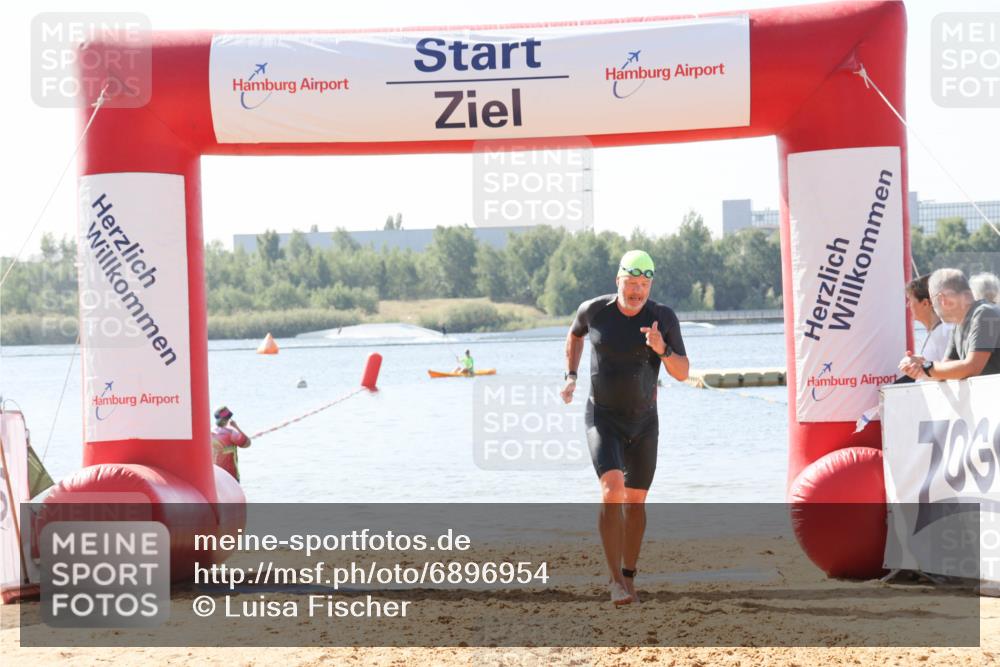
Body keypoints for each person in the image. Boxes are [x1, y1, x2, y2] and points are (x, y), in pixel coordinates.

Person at [561, 249, 689, 605]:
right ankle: (615, 580)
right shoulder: (594, 310)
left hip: (645, 422)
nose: (636, 291)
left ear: (650, 286)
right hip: (602, 417)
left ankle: (630, 576)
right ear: (617, 281)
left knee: (635, 502)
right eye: (630, 283)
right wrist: (571, 376)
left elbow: (683, 372)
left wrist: (662, 348)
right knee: (611, 490)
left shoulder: (662, 317)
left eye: (643, 284)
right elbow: (574, 336)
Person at [899, 268, 1000, 380]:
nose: (933, 307)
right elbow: (946, 369)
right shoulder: (958, 325)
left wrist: (925, 367)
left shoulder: (985, 313)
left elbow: (972, 368)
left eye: (932, 301)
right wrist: (921, 364)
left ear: (942, 299)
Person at [211, 406, 252, 482]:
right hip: (230, 476)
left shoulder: (210, 432)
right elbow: (247, 443)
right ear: (228, 419)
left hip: (215, 475)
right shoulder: (231, 433)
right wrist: (236, 427)